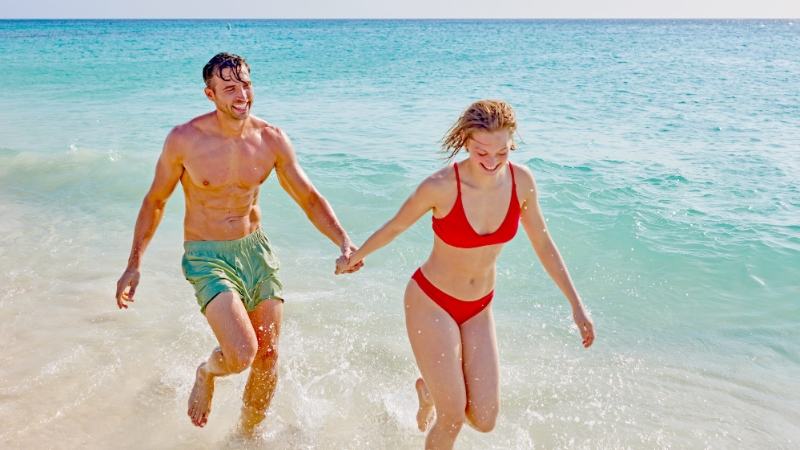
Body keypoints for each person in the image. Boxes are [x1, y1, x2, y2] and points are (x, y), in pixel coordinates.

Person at [114, 53, 362, 433]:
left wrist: (344, 241)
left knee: (269, 356)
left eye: (246, 84)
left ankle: (245, 437)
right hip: (207, 256)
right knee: (242, 353)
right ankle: (207, 372)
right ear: (210, 94)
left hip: (255, 251)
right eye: (229, 87)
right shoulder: (185, 140)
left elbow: (308, 197)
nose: (241, 93)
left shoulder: (271, 139)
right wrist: (134, 264)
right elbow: (156, 201)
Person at [335, 100, 595, 449]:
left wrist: (576, 305)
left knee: (485, 420)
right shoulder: (441, 186)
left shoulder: (522, 182)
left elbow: (544, 244)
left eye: (501, 153)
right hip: (432, 301)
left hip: (479, 306)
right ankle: (440, 397)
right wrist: (355, 256)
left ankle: (428, 390)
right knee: (453, 415)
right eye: (480, 152)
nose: (491, 162)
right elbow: (395, 226)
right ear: (465, 141)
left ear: (511, 144)